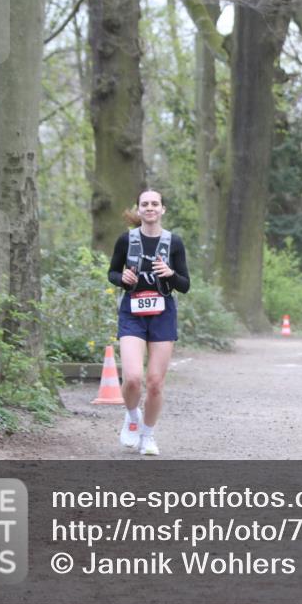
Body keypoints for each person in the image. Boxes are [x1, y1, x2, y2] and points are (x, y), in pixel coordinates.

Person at [107, 189, 190, 456]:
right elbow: (112, 272)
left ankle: (149, 435)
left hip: (162, 312)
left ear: (163, 209)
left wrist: (171, 274)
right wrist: (123, 279)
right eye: (145, 204)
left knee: (155, 382)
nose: (150, 208)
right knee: (132, 378)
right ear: (139, 209)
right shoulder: (126, 240)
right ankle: (132, 417)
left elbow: (185, 285)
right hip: (132, 312)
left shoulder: (173, 242)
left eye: (155, 203)